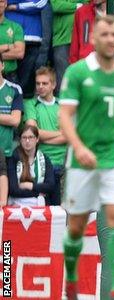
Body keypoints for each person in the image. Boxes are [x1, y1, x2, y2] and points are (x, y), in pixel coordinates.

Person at [58, 15, 114, 299]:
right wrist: (78, 147)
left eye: (113, 34)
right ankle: (71, 279)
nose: (109, 40)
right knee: (76, 229)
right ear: (93, 38)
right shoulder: (78, 73)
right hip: (84, 159)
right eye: (103, 34)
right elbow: (64, 117)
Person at [24, 66, 66, 205]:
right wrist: (60, 133)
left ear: (53, 85)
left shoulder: (63, 105)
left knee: (62, 212)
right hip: (39, 165)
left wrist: (41, 136)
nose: (40, 87)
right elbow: (32, 133)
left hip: (63, 164)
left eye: (44, 83)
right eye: (38, 83)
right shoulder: (31, 104)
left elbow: (69, 137)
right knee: (42, 212)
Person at [5, 0, 47, 97]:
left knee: (26, 85)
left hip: (31, 37)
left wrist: (15, 7)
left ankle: (25, 110)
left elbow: (41, 2)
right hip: (8, 37)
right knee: (7, 84)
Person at [7, 125, 55, 206]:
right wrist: (38, 192)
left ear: (37, 139)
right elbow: (13, 190)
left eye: (31, 137)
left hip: (39, 205)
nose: (27, 141)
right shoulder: (13, 159)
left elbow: (50, 186)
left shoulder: (45, 159)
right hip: (16, 204)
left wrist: (30, 186)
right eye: (24, 137)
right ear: (20, 140)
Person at [51, 0, 86, 90]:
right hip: (62, 39)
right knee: (63, 78)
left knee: (82, 76)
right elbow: (57, 6)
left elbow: (88, 5)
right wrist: (78, 6)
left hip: (82, 40)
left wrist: (69, 6)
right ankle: (62, 102)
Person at [0, 56, 23, 157]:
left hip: (6, 152)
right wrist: (5, 118)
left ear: (3, 65)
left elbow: (15, 121)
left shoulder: (14, 89)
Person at [0, 0, 25, 83]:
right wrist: (7, 46)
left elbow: (19, 53)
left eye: (1, 1)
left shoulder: (15, 27)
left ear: (5, 4)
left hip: (10, 77)